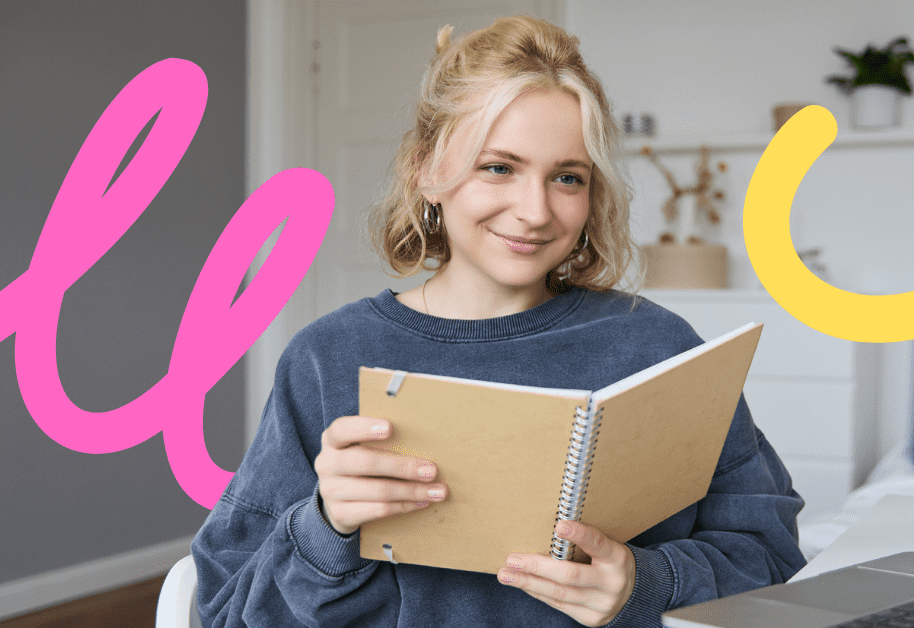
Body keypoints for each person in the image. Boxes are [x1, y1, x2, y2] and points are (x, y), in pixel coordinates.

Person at [192, 16, 806, 628]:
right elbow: (227, 609)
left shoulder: (656, 345)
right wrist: (325, 526)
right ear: (426, 173)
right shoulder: (329, 358)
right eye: (498, 168)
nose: (535, 211)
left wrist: (645, 583)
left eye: (568, 178)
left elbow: (768, 549)